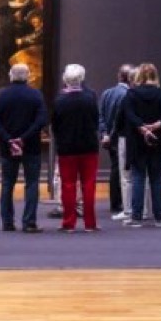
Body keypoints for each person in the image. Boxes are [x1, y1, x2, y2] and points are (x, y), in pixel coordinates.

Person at [0, 62, 47, 233]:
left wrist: (9, 140)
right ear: (28, 76)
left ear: (11, 76)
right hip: (31, 146)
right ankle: (29, 221)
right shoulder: (35, 95)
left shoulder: (2, 95)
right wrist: (23, 138)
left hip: (7, 148)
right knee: (31, 183)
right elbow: (41, 121)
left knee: (7, 183)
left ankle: (7, 222)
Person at [121, 62, 161, 227]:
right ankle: (159, 217)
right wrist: (155, 126)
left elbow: (128, 114)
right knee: (157, 179)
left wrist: (143, 128)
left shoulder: (131, 94)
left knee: (138, 178)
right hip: (158, 142)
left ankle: (136, 217)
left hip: (137, 142)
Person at [51, 64, 100, 233]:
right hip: (89, 146)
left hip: (67, 148)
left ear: (66, 79)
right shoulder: (90, 97)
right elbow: (95, 121)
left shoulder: (60, 100)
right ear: (82, 78)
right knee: (89, 185)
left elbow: (55, 125)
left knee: (68, 186)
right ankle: (90, 223)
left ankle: (69, 222)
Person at [98, 65, 134, 220]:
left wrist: (104, 134)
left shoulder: (107, 93)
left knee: (115, 169)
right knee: (125, 172)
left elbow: (100, 116)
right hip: (122, 137)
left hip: (109, 137)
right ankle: (123, 203)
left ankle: (115, 202)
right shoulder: (129, 95)